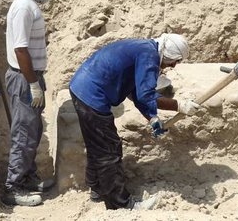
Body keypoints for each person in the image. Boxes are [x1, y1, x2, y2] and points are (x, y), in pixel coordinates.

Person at [69, 33, 204, 210]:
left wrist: (153, 118)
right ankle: (121, 204)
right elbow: (146, 95)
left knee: (98, 146)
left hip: (83, 87)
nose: (173, 65)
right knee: (108, 150)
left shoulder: (145, 48)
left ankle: (98, 189)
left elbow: (135, 92)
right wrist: (179, 105)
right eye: (174, 61)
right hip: (92, 94)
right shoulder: (150, 55)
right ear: (167, 53)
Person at [3, 0, 67, 207]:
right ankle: (13, 187)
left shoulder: (28, 4)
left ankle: (28, 178)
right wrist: (32, 83)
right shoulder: (23, 7)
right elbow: (20, 49)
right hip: (23, 78)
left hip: (30, 76)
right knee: (24, 133)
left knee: (33, 131)